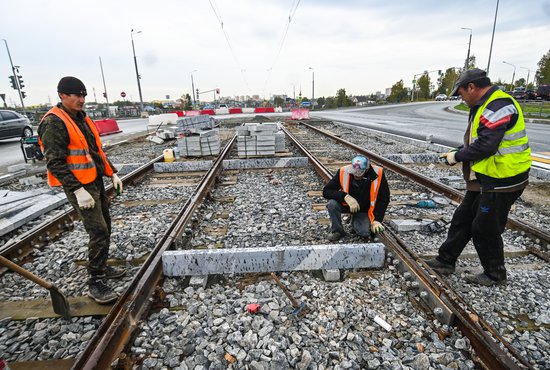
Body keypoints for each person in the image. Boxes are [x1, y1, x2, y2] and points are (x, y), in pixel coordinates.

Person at [426, 68, 531, 286]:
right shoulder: (483, 105)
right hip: (485, 175)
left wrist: (456, 156)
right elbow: (479, 140)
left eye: (461, 92)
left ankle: (495, 274)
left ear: (472, 87)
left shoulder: (498, 105)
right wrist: (458, 152)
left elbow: (487, 146)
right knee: (462, 218)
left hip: (504, 177)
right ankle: (445, 261)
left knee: (484, 227)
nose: (461, 98)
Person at [38, 76, 126, 304]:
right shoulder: (54, 123)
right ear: (62, 95)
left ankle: (102, 266)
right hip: (80, 187)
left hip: (94, 181)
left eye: (84, 95)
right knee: (98, 230)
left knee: (105, 225)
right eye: (77, 95)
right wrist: (77, 190)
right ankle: (95, 281)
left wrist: (112, 172)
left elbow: (95, 151)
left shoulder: (81, 118)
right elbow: (54, 163)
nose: (81, 99)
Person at [323, 155, 390, 241]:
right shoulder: (344, 171)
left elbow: (384, 199)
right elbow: (326, 191)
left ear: (367, 169)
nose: (356, 176)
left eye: (359, 173)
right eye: (354, 172)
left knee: (365, 232)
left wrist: (377, 220)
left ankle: (355, 219)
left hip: (364, 208)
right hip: (347, 205)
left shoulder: (378, 173)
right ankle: (338, 231)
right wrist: (345, 197)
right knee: (332, 204)